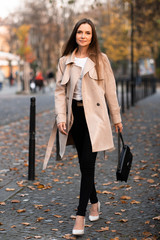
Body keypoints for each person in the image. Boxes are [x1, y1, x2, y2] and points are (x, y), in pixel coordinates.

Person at [43, 18, 123, 236]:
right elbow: (60, 92)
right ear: (75, 35)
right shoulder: (64, 61)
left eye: (88, 32)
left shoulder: (101, 59)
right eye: (80, 32)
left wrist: (117, 118)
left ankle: (80, 216)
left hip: (95, 117)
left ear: (92, 35)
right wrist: (61, 116)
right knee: (84, 165)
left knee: (88, 164)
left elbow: (111, 90)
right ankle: (95, 201)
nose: (83, 36)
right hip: (74, 118)